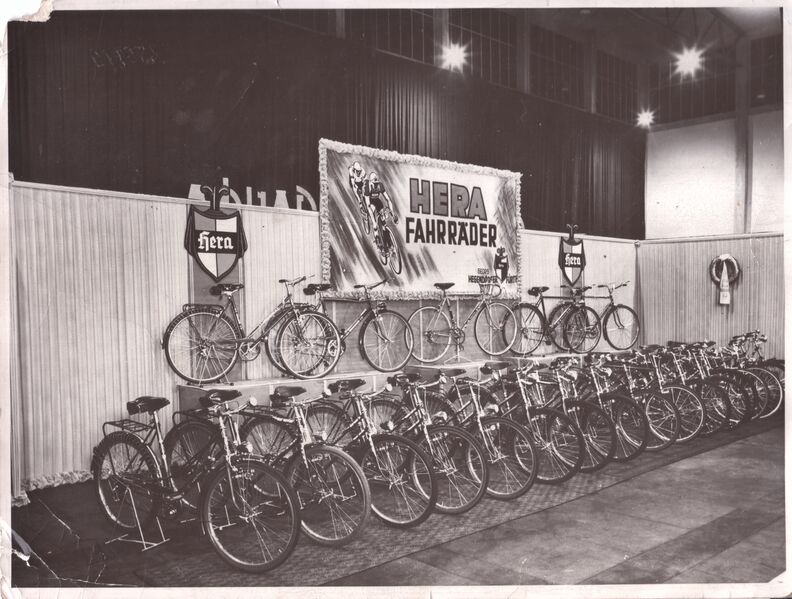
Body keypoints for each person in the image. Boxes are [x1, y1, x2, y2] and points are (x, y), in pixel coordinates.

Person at [363, 171, 397, 245]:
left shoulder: (380, 186)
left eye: (377, 184)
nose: (376, 185)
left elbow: (388, 199)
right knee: (372, 210)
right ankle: (376, 233)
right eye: (374, 184)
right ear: (371, 183)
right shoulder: (367, 188)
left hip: (376, 200)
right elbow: (368, 205)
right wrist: (374, 223)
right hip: (369, 200)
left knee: (383, 218)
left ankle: (386, 239)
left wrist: (392, 213)